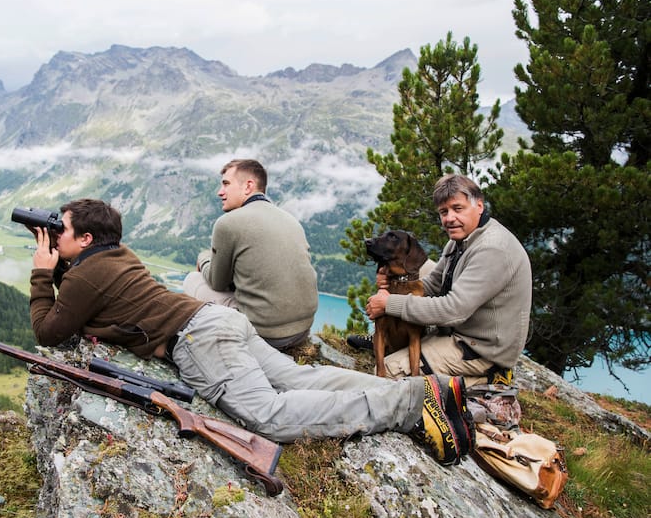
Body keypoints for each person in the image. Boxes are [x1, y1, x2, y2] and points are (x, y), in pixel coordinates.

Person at [27, 197, 473, 466]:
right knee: (299, 378)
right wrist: (60, 262)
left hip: (197, 340)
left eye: (61, 229)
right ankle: (424, 389)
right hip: (218, 321)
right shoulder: (115, 254)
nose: (54, 234)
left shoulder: (85, 275)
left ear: (85, 240)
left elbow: (48, 331)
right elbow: (84, 291)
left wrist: (42, 272)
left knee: (269, 415)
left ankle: (408, 406)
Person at [359, 174, 532, 386]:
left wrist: (389, 304)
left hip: (480, 349)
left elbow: (453, 310)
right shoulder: (460, 240)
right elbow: (432, 284)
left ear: (479, 206)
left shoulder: (492, 249)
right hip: (459, 332)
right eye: (444, 212)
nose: (450, 218)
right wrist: (393, 286)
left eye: (458, 208)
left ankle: (484, 378)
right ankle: (389, 339)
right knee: (417, 273)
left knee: (388, 372)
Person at [182, 159, 318, 349]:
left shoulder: (228, 223)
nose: (220, 192)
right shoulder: (291, 220)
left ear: (248, 186)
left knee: (192, 279)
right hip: (302, 331)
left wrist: (203, 257)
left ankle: (200, 339)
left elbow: (216, 282)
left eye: (226, 184)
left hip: (264, 334)